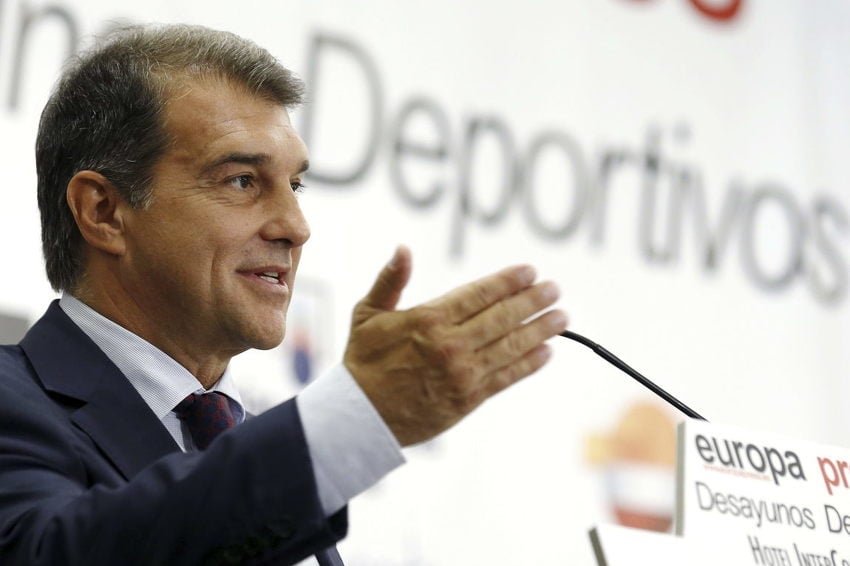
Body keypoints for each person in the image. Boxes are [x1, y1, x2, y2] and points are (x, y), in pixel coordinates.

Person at [0, 23, 567, 566]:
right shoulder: (16, 401)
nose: (295, 226)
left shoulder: (247, 447)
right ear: (104, 212)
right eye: (242, 181)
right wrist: (355, 418)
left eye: (295, 186)